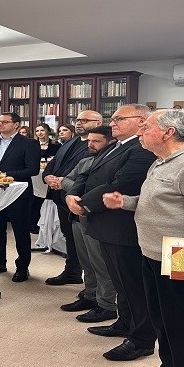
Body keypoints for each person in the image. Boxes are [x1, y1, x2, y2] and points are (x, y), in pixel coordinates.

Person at [103, 109, 184, 367]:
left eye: (146, 127)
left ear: (168, 132)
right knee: (163, 317)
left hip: (182, 256)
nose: (140, 131)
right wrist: (125, 202)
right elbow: (162, 202)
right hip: (154, 253)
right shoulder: (162, 160)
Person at [65, 104, 157, 362]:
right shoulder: (115, 146)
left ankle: (141, 339)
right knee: (120, 283)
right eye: (113, 118)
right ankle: (124, 323)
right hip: (105, 224)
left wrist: (85, 204)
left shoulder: (141, 149)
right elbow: (88, 173)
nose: (112, 122)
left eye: (119, 118)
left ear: (141, 121)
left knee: (134, 285)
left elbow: (122, 183)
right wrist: (73, 194)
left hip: (123, 227)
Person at [0, 112, 40, 282]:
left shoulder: (29, 143)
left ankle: (22, 267)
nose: (0, 124)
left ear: (16, 125)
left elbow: (33, 169)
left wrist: (5, 174)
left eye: (5, 122)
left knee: (20, 231)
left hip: (19, 194)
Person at [59, 126, 116, 315]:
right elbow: (65, 181)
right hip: (77, 217)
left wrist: (79, 190)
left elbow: (105, 189)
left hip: (96, 217)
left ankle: (106, 304)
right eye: (89, 140)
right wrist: (79, 189)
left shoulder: (113, 162)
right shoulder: (85, 161)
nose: (90, 144)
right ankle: (90, 296)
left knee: (101, 264)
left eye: (96, 141)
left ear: (111, 142)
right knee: (87, 263)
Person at [42, 111, 102, 286]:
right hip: (61, 197)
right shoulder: (71, 141)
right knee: (69, 236)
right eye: (77, 120)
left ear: (98, 123)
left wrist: (63, 182)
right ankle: (72, 271)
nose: (79, 123)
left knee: (85, 242)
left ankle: (91, 283)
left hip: (78, 197)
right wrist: (47, 177)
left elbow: (86, 173)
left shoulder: (97, 145)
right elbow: (54, 162)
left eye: (85, 120)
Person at [30, 122, 60, 235]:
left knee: (46, 199)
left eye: (42, 130)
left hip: (49, 174)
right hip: (34, 174)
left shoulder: (56, 145)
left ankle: (48, 225)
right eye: (37, 131)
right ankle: (34, 225)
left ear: (47, 131)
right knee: (34, 199)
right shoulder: (31, 144)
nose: (40, 133)